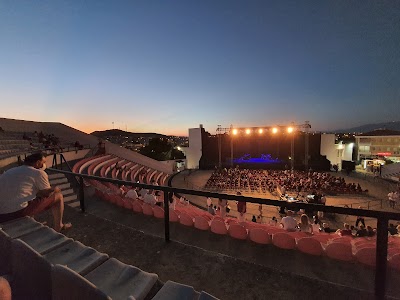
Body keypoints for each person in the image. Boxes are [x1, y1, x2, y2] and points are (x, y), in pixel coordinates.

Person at [0, 152, 71, 232]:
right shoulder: (38, 173)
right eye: (43, 162)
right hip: (15, 214)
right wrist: (56, 189)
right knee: (58, 196)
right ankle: (59, 226)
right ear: (37, 163)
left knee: (29, 197)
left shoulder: (11, 170)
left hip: (1, 214)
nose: (44, 164)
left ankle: (32, 222)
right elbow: (46, 193)